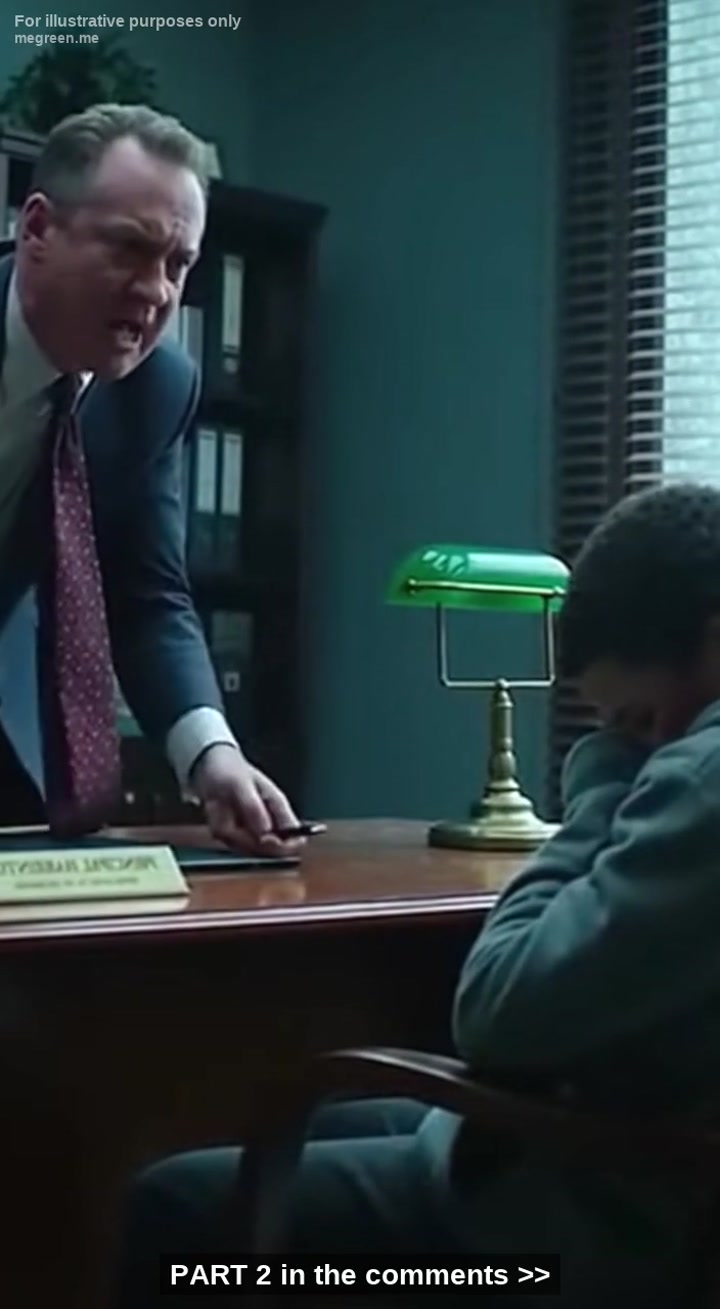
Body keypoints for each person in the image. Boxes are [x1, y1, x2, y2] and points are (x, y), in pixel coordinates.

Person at [116, 481, 720, 1306]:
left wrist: (602, 778)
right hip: (640, 1137)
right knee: (334, 1126)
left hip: (609, 1222)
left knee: (177, 1206)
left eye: (641, 718)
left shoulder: (703, 778)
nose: (639, 747)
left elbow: (496, 1008)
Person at [0, 101, 303, 854]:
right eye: (130, 250)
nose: (157, 291)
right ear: (37, 230)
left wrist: (212, 755)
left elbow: (146, 594)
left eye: (177, 264)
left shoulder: (156, 387)